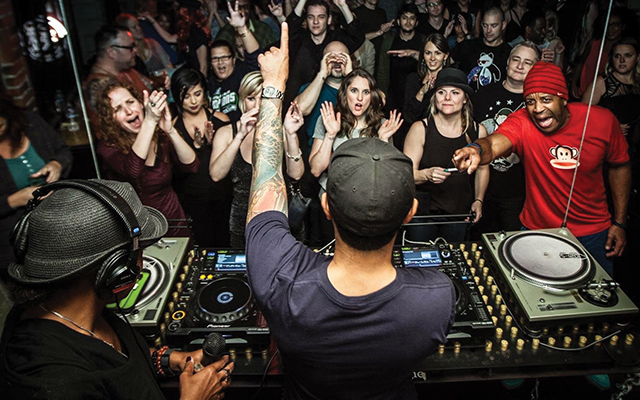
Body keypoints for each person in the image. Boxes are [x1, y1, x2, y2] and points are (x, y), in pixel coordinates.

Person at [244, 22, 455, 399]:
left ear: (327, 206)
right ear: (409, 213)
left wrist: (273, 88)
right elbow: (312, 168)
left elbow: (264, 180)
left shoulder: (281, 283)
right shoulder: (438, 298)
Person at [0, 178, 233, 399]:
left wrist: (171, 359)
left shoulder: (80, 312)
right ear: (116, 271)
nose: (142, 263)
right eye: (140, 252)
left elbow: (116, 364)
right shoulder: (54, 384)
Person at [452, 61, 631, 275]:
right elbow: (493, 143)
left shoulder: (601, 120)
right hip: (537, 230)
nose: (537, 109)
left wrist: (619, 222)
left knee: (597, 292)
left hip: (593, 232)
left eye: (546, 99)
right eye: (530, 101)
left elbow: (620, 165)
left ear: (563, 99)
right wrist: (476, 149)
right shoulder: (522, 121)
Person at [210, 71, 304, 248]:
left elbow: (296, 174)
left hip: (280, 220)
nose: (258, 105)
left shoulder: (281, 130)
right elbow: (216, 175)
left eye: (263, 98)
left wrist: (290, 135)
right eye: (251, 98)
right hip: (243, 221)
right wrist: (240, 136)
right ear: (242, 100)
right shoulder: (226, 133)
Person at [96, 83, 198, 237]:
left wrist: (170, 130)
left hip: (173, 220)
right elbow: (133, 170)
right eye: (117, 109)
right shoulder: (107, 147)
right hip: (139, 229)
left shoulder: (160, 136)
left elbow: (192, 166)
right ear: (111, 119)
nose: (129, 111)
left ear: (140, 103)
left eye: (130, 102)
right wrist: (149, 121)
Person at [403, 68, 488, 242]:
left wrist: (478, 200)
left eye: (455, 93)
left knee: (456, 255)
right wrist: (426, 174)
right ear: (435, 97)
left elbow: (483, 169)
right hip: (423, 214)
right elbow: (406, 175)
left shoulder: (478, 131)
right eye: (441, 92)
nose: (447, 98)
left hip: (459, 212)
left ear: (465, 99)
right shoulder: (420, 129)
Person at [471, 41, 540, 234]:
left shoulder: (538, 103)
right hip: (479, 191)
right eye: (516, 59)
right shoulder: (482, 95)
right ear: (508, 62)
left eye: (527, 62)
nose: (520, 66)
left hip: (518, 194)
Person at [0, 97, 72, 278]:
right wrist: (16, 200)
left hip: (60, 221)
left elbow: (63, 151)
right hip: (16, 243)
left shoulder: (31, 123)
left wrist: (56, 164)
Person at [310, 68, 403, 195]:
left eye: (366, 92)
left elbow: (388, 176)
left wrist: (383, 141)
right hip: (334, 194)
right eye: (354, 91)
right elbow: (316, 170)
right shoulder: (328, 119)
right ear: (344, 93)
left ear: (372, 96)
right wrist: (330, 135)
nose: (360, 98)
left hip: (369, 196)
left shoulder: (382, 125)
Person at [171, 68, 233, 247]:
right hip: (193, 201)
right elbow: (176, 171)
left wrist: (215, 143)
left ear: (204, 92)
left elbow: (232, 162)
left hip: (224, 196)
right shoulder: (173, 128)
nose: (193, 101)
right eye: (186, 96)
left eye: (197, 94)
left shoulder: (220, 119)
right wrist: (196, 147)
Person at [284, 0, 364, 107]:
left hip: (330, 103)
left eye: (321, 17)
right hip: (297, 103)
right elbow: (289, 27)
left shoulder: (337, 40)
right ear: (306, 20)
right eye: (311, 17)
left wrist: (343, 6)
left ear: (329, 19)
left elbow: (358, 36)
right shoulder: (298, 40)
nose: (315, 21)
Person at [83, 25, 159, 123]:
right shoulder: (99, 84)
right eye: (130, 47)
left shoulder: (127, 71)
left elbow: (153, 88)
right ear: (112, 52)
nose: (135, 50)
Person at [208, 1, 262, 123]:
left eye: (224, 57)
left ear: (233, 60)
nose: (220, 62)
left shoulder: (242, 73)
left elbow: (255, 56)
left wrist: (241, 28)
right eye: (215, 59)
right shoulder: (209, 85)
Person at [377, 4, 425, 112]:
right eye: (404, 18)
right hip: (393, 97)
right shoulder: (389, 42)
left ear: (416, 23)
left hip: (417, 96)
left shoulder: (423, 41)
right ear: (398, 21)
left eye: (412, 18)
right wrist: (383, 95)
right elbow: (382, 71)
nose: (408, 21)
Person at [450, 7, 512, 90]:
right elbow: (445, 61)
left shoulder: (509, 53)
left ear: (503, 25)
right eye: (485, 25)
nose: (488, 30)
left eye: (493, 25)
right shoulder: (468, 45)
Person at [571, 8, 625, 99]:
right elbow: (581, 63)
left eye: (614, 24)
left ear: (623, 26)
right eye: (607, 24)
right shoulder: (593, 44)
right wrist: (573, 83)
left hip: (607, 99)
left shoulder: (625, 51)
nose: (610, 28)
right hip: (583, 94)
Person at [403, 33, 450, 125]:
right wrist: (422, 92)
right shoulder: (413, 79)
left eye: (437, 53)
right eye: (428, 53)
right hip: (417, 131)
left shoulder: (450, 80)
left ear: (445, 56)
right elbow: (408, 116)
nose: (432, 58)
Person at [115, 13, 174, 78]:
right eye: (134, 27)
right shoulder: (127, 54)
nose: (139, 28)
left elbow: (168, 65)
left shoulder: (152, 43)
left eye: (138, 25)